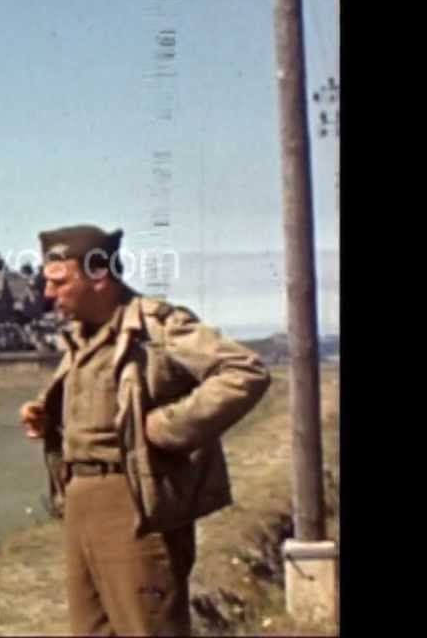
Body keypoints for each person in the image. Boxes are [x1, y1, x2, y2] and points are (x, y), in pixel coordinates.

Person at [19, 225, 271, 636]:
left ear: (98, 276)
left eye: (59, 282)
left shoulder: (154, 327)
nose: (48, 294)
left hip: (133, 503)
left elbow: (244, 371)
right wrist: (52, 423)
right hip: (80, 501)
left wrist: (168, 428)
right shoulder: (80, 338)